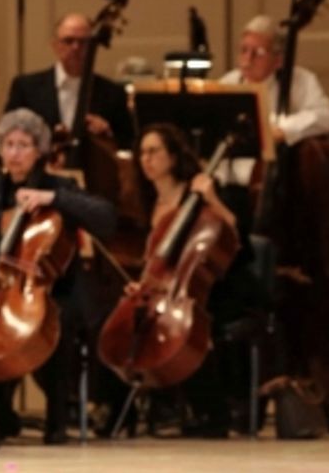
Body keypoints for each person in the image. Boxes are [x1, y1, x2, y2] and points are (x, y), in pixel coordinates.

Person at [121, 123, 258, 438]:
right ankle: (127, 410)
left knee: (185, 329)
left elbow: (241, 244)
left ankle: (212, 411)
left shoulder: (198, 194)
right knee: (124, 322)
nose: (146, 159)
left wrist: (212, 198)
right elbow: (156, 260)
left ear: (173, 156)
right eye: (142, 152)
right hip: (171, 288)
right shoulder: (147, 204)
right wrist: (141, 285)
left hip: (219, 286)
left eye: (154, 151)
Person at [0, 109, 116, 443]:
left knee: (57, 318)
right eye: (9, 144)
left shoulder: (60, 186)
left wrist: (53, 199)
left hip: (57, 288)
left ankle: (57, 418)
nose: (15, 152)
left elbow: (106, 218)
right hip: (5, 288)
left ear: (40, 152)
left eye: (24, 145)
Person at [4, 12, 135, 150]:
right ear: (55, 45)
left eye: (83, 42)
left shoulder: (113, 93)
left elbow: (129, 144)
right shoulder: (26, 88)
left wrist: (107, 133)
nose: (75, 47)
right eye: (68, 41)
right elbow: (8, 135)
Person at [219, 15, 329, 147]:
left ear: (278, 60)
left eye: (258, 53)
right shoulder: (228, 82)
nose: (247, 60)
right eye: (244, 50)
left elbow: (324, 117)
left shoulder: (300, 80)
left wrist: (283, 129)